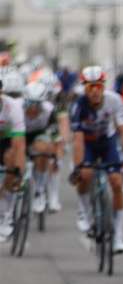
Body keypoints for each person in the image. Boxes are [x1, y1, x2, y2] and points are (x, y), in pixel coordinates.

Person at [69, 66, 123, 252]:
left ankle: (119, 233)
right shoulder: (78, 105)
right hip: (87, 143)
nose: (95, 91)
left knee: (116, 182)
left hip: (107, 142)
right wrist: (79, 166)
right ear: (84, 88)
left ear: (104, 86)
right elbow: (78, 140)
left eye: (98, 86)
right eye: (90, 87)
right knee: (86, 174)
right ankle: (84, 210)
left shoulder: (114, 100)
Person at [20, 82, 63, 216]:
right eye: (30, 103)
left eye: (37, 104)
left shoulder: (49, 111)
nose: (33, 108)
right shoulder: (17, 109)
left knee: (44, 149)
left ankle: (39, 191)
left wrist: (55, 158)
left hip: (39, 134)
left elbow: (56, 138)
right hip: (19, 134)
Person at [0, 90, 25, 239]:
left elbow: (19, 145)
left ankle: (7, 215)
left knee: (11, 160)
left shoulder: (13, 107)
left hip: (8, 141)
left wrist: (18, 170)